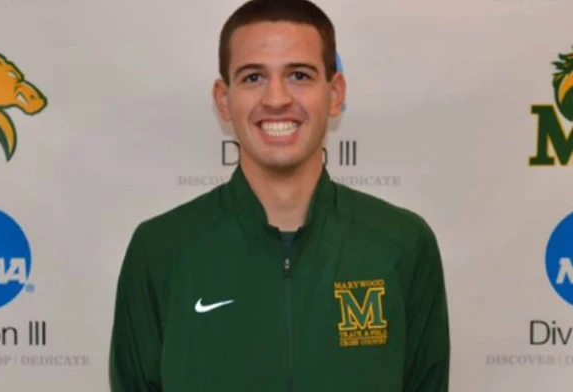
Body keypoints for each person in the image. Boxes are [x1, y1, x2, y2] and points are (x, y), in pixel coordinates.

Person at [109, 0, 450, 391]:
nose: (275, 99)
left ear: (335, 93)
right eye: (253, 77)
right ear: (224, 99)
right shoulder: (161, 249)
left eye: (299, 75)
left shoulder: (402, 243)